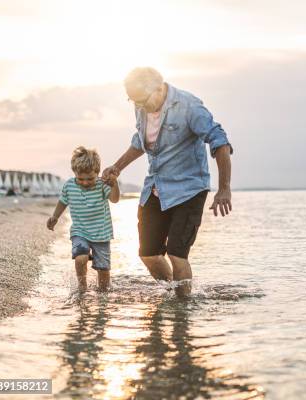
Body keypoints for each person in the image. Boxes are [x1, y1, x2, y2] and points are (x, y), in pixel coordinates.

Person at [102, 67, 233, 298]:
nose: (139, 106)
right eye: (133, 101)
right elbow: (139, 141)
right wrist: (117, 167)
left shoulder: (189, 106)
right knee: (148, 254)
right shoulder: (140, 106)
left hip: (189, 188)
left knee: (177, 254)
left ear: (159, 88)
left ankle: (181, 312)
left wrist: (224, 189)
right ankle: (176, 294)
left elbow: (219, 141)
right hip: (156, 187)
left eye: (141, 100)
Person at [47, 147, 120, 291]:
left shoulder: (102, 185)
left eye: (90, 179)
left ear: (97, 173)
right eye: (80, 179)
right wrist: (55, 216)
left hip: (102, 234)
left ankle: (103, 299)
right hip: (80, 231)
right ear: (74, 172)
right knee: (81, 258)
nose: (85, 183)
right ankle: (82, 286)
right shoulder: (69, 185)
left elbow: (115, 199)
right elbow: (63, 201)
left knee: (103, 271)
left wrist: (114, 184)